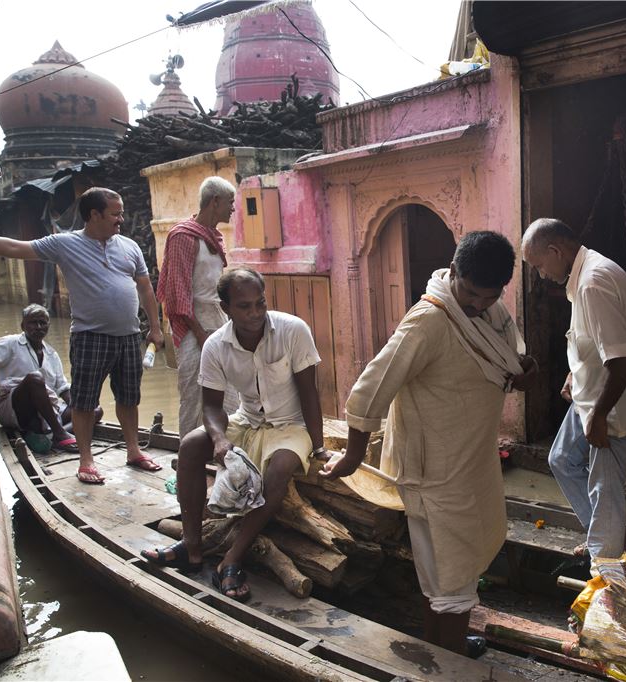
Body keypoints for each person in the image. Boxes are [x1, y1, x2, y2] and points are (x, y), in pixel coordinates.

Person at [321, 231, 535, 656]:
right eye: (470, 293)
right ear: (453, 272)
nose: (476, 305)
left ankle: (441, 646)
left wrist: (521, 372)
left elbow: (507, 360)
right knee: (449, 574)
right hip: (433, 471)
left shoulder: (493, 315)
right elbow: (369, 389)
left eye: (487, 297)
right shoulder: (429, 319)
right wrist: (353, 454)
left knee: (446, 572)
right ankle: (448, 661)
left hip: (471, 462)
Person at [0, 188, 165, 484]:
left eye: (122, 213)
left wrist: (155, 326)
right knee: (84, 401)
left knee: (129, 398)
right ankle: (86, 460)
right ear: (94, 215)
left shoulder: (129, 246)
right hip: (90, 336)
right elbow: (14, 248)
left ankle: (133, 450)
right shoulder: (65, 243)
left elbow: (145, 287)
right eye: (115, 214)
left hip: (129, 336)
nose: (121, 219)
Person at [142, 268, 325, 604]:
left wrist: (320, 445)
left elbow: (310, 393)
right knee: (190, 445)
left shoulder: (293, 330)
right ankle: (192, 546)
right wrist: (219, 439)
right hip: (246, 420)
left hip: (291, 426)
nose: (255, 313)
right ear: (225, 308)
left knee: (281, 468)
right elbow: (211, 407)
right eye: (244, 307)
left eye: (260, 304)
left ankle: (232, 558)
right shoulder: (215, 346)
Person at [522, 219, 626, 560]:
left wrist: (598, 416)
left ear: (555, 251)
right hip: (591, 392)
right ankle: (612, 534)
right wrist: (574, 371)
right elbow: (592, 340)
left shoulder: (592, 283)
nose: (540, 275)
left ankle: (606, 563)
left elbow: (621, 359)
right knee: (563, 459)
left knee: (605, 488)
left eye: (538, 265)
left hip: (610, 403)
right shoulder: (584, 272)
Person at [156, 176, 238, 437]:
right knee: (193, 395)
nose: (233, 208)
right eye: (230, 202)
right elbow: (178, 293)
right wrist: (201, 333)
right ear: (215, 202)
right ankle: (188, 462)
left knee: (230, 393)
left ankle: (228, 452)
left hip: (218, 320)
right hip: (193, 326)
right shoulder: (183, 235)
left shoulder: (213, 236)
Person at [0, 304, 102, 452]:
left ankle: (51, 437)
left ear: (48, 325)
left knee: (95, 410)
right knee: (35, 379)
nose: (39, 327)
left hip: (45, 414)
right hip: (16, 410)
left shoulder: (51, 354)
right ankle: (60, 433)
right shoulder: (11, 343)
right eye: (33, 322)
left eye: (43, 322)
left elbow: (62, 388)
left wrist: (78, 407)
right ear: (23, 325)